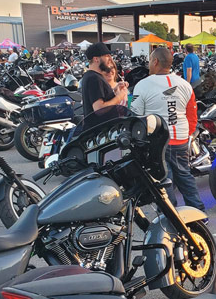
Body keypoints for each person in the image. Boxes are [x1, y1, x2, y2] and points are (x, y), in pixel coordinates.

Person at [131, 46, 206, 213]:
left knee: (164, 180)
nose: (149, 64)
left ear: (155, 61)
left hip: (157, 141)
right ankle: (199, 213)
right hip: (180, 139)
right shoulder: (185, 84)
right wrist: (185, 134)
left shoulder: (142, 85)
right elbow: (192, 114)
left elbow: (136, 116)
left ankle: (169, 216)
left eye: (150, 60)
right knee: (184, 175)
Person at [79, 42, 127, 116]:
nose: (110, 59)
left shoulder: (90, 76)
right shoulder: (94, 78)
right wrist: (120, 96)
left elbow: (100, 97)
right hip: (103, 124)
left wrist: (115, 90)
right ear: (96, 59)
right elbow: (99, 109)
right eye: (107, 56)